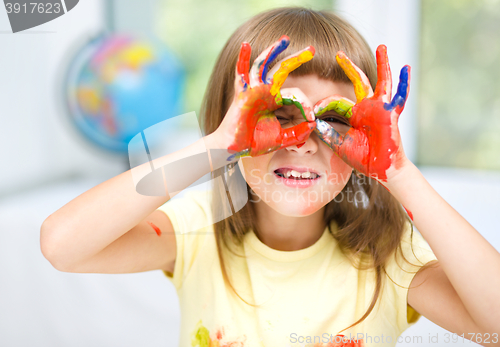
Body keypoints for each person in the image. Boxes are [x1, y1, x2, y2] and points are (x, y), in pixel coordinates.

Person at [40, 7, 500, 347]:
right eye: (279, 114)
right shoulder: (199, 231)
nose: (303, 141)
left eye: (336, 122)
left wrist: (399, 172)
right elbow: (62, 245)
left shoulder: (386, 257)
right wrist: (220, 146)